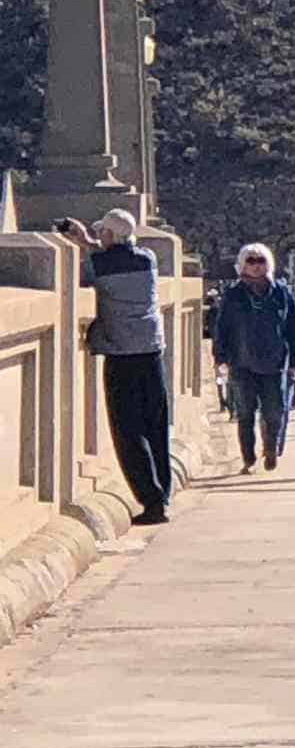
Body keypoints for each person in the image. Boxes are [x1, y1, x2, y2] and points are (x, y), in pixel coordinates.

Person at [59, 210, 171, 525]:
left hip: (121, 354)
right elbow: (115, 256)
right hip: (151, 350)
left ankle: (150, 500)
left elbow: (97, 266)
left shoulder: (99, 265)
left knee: (128, 430)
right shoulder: (147, 259)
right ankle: (162, 494)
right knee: (156, 425)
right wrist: (90, 240)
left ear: (108, 235)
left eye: (104, 233)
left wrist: (81, 242)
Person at [215, 244, 295, 475]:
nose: (256, 265)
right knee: (245, 413)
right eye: (251, 261)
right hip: (242, 363)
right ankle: (248, 458)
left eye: (260, 260)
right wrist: (220, 356)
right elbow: (222, 327)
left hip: (274, 364)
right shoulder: (233, 295)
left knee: (274, 412)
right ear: (243, 264)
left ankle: (271, 447)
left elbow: (294, 328)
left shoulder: (282, 293)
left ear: (269, 264)